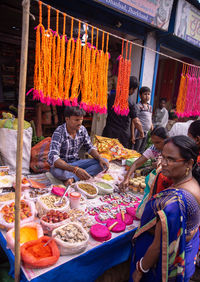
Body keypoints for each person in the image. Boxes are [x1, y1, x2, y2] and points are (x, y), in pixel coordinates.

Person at [131, 135, 200, 282]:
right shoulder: (189, 183)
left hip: (162, 263)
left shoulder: (176, 201)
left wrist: (141, 268)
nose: (163, 163)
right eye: (162, 157)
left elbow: (158, 245)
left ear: (189, 163)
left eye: (170, 159)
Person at [48, 106, 109, 186]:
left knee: (104, 163)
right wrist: (75, 170)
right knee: (57, 172)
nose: (80, 122)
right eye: (76, 120)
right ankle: (78, 175)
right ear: (67, 119)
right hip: (63, 166)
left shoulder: (82, 129)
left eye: (81, 119)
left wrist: (100, 158)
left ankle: (73, 179)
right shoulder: (59, 133)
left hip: (77, 162)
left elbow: (90, 147)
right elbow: (54, 158)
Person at [102, 76, 144, 148]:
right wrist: (141, 132)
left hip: (108, 131)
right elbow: (136, 121)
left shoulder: (112, 96)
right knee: (118, 157)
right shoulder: (130, 102)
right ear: (131, 89)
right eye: (134, 90)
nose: (134, 92)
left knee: (105, 154)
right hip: (121, 135)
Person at [133, 86, 153, 153]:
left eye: (148, 94)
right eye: (145, 94)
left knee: (142, 149)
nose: (147, 96)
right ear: (140, 95)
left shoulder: (150, 107)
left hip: (146, 132)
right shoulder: (138, 106)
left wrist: (152, 128)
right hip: (139, 132)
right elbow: (134, 120)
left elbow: (150, 118)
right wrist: (132, 135)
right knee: (137, 149)